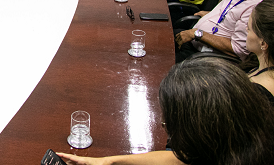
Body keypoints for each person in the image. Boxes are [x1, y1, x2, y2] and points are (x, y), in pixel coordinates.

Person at [58, 57, 274, 165]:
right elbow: (180, 159)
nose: (166, 128)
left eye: (168, 124)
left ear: (199, 133)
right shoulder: (237, 142)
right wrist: (109, 161)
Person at [246, 0, 274, 103]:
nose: (246, 30)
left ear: (263, 43)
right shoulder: (255, 61)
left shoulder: (259, 91)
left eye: (249, 29)